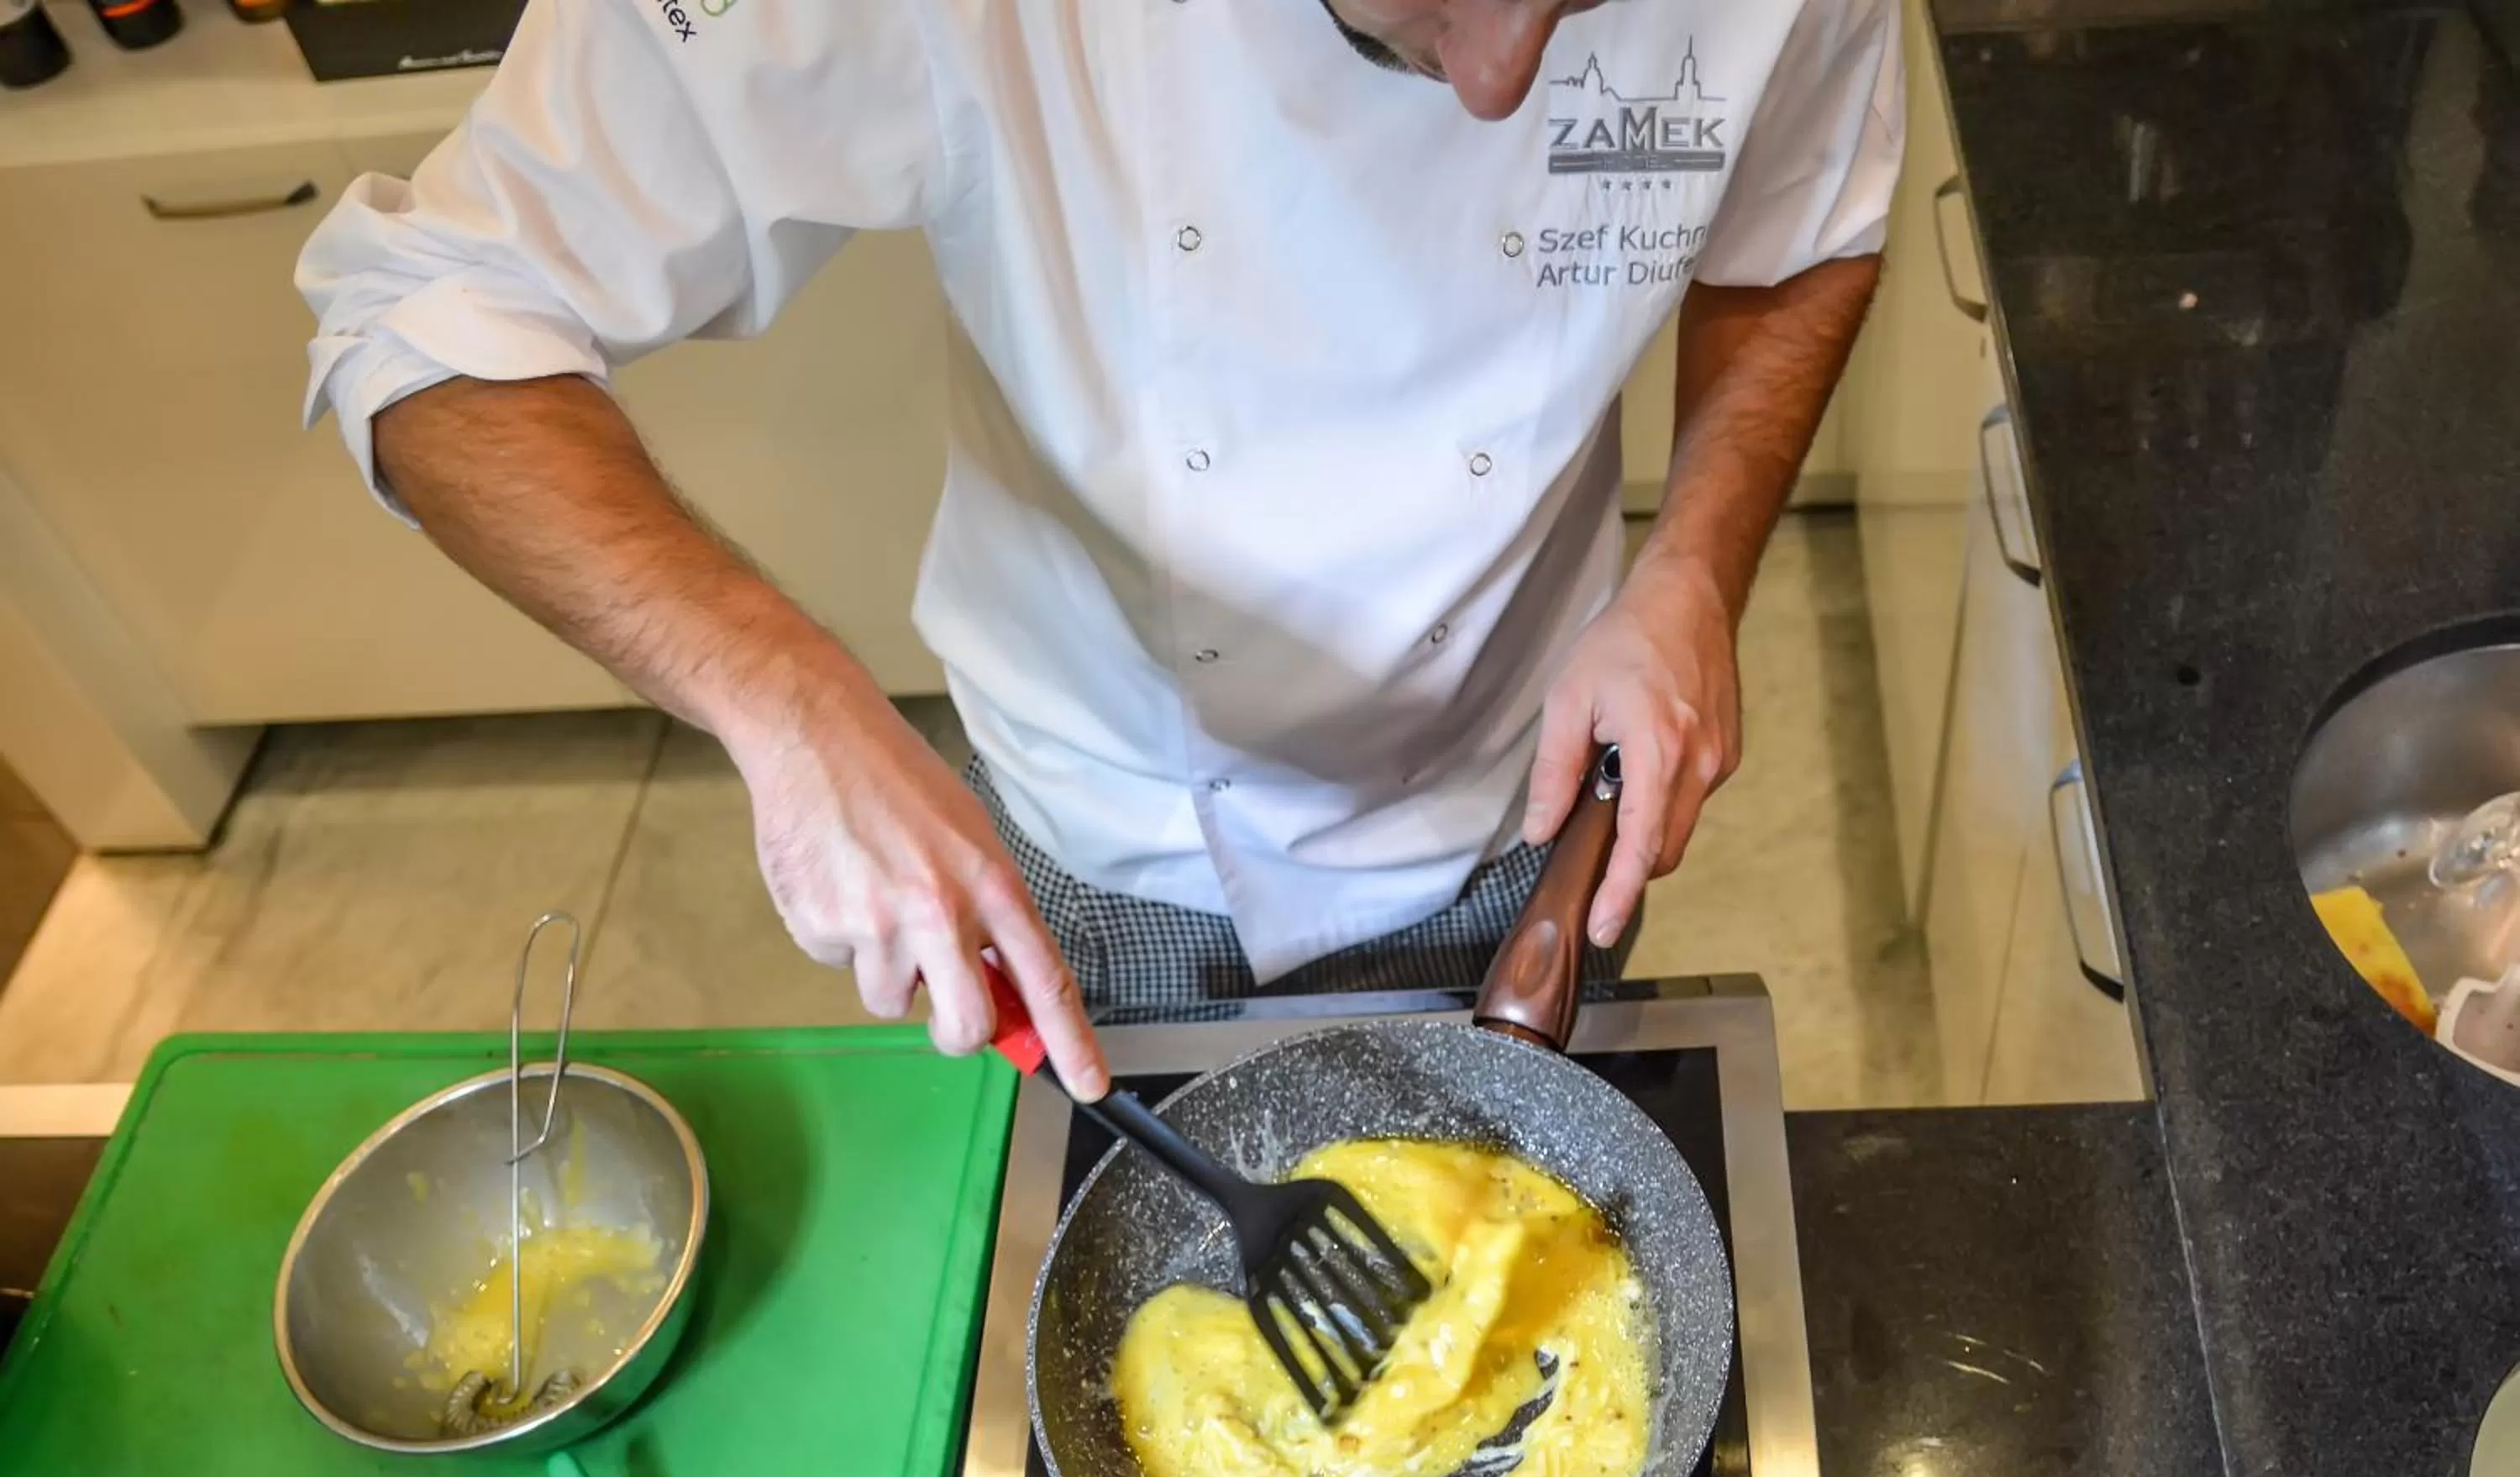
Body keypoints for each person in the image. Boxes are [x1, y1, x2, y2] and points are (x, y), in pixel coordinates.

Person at [297, 0, 1902, 1101]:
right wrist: (786, 701)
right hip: (1107, 833)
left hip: (1531, 792)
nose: (1499, 82)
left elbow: (1805, 225)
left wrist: (1694, 570)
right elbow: (424, 317)